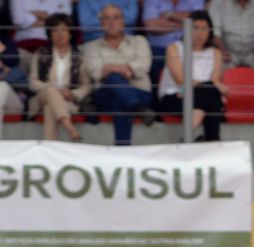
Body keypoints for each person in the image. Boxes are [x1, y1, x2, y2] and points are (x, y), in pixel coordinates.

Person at [83, 3, 154, 145]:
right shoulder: (92, 46)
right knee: (114, 79)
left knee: (119, 99)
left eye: (116, 18)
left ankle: (121, 147)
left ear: (123, 21)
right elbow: (95, 72)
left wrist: (110, 68)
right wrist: (125, 69)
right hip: (105, 95)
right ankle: (136, 108)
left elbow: (143, 67)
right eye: (107, 18)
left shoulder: (139, 41)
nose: (111, 22)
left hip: (139, 92)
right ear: (101, 22)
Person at [158, 9, 226, 140]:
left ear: (210, 31)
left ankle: (187, 137)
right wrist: (211, 85)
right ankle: (212, 140)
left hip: (201, 97)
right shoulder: (174, 48)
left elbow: (214, 81)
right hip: (177, 95)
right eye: (195, 28)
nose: (200, 33)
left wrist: (208, 86)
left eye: (204, 28)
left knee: (208, 93)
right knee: (210, 93)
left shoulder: (215, 53)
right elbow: (181, 80)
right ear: (186, 30)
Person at [29, 13, 90, 142]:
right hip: (41, 98)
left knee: (50, 108)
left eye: (63, 29)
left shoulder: (80, 55)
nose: (59, 34)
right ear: (49, 34)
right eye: (55, 30)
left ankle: (50, 147)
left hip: (68, 101)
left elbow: (87, 85)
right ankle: (70, 128)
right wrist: (52, 89)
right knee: (51, 92)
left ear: (70, 33)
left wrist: (72, 94)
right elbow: (33, 82)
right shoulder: (40, 53)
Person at [142, 0, 200, 84]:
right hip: (159, 49)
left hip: (190, 48)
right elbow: (151, 25)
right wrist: (185, 23)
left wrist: (171, 14)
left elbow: (199, 21)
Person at [208, 0, 254, 69]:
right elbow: (215, 32)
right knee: (218, 65)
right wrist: (223, 51)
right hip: (229, 53)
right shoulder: (218, 2)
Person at [0, 29, 27, 137]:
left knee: (2, 87)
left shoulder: (15, 70)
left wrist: (4, 71)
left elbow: (25, 87)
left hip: (13, 103)